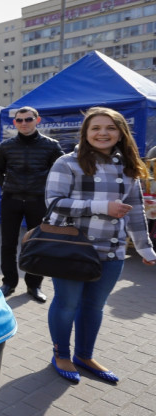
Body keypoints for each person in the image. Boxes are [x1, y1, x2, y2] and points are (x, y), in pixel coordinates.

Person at [45, 107, 156, 384]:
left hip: (113, 251)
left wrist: (144, 248)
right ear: (86, 133)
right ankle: (61, 354)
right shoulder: (67, 162)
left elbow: (135, 210)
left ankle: (84, 355)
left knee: (94, 306)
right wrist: (101, 207)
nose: (102, 133)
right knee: (67, 304)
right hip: (72, 249)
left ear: (120, 133)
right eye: (95, 128)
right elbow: (54, 204)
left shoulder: (128, 165)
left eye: (110, 128)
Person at [0, 106, 63, 302]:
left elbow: (60, 174)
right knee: (8, 244)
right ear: (15, 123)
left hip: (38, 202)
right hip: (11, 201)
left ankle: (34, 285)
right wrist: (7, 186)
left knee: (36, 243)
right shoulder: (6, 146)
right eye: (19, 120)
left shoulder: (51, 146)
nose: (24, 123)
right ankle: (9, 282)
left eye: (28, 119)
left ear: (37, 120)